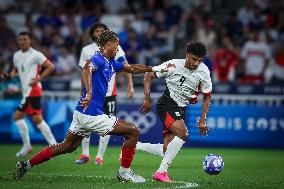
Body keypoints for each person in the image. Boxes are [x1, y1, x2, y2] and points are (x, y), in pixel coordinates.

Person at [13, 30, 170, 182]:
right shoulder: (98, 59)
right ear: (108, 44)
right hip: (91, 115)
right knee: (133, 131)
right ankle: (124, 173)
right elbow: (87, 68)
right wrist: (89, 92)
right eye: (117, 44)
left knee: (66, 147)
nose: (118, 48)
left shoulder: (111, 63)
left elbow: (133, 68)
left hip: (81, 113)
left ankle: (26, 165)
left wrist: (155, 69)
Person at [138, 41, 212, 182]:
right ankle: (161, 173)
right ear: (187, 55)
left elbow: (207, 96)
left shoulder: (204, 71)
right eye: (194, 59)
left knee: (167, 150)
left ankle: (133, 145)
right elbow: (148, 75)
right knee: (183, 133)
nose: (196, 63)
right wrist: (147, 98)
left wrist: (203, 119)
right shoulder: (173, 65)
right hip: (167, 104)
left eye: (199, 60)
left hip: (181, 108)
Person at [75, 22, 134, 165]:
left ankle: (99, 156)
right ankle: (85, 154)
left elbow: (126, 66)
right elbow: (84, 71)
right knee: (86, 124)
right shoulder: (86, 50)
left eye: (102, 30)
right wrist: (84, 91)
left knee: (108, 126)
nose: (99, 32)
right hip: (92, 95)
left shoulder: (115, 47)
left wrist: (130, 86)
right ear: (92, 33)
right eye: (97, 31)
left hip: (109, 94)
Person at [1, 31, 57, 157]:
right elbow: (17, 69)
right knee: (36, 119)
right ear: (18, 41)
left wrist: (38, 79)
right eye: (20, 39)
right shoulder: (16, 55)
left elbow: (51, 67)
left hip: (34, 91)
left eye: (25, 39)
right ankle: (52, 145)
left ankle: (34, 146)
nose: (23, 41)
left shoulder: (36, 54)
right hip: (27, 93)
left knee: (18, 117)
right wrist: (9, 75)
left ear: (30, 41)